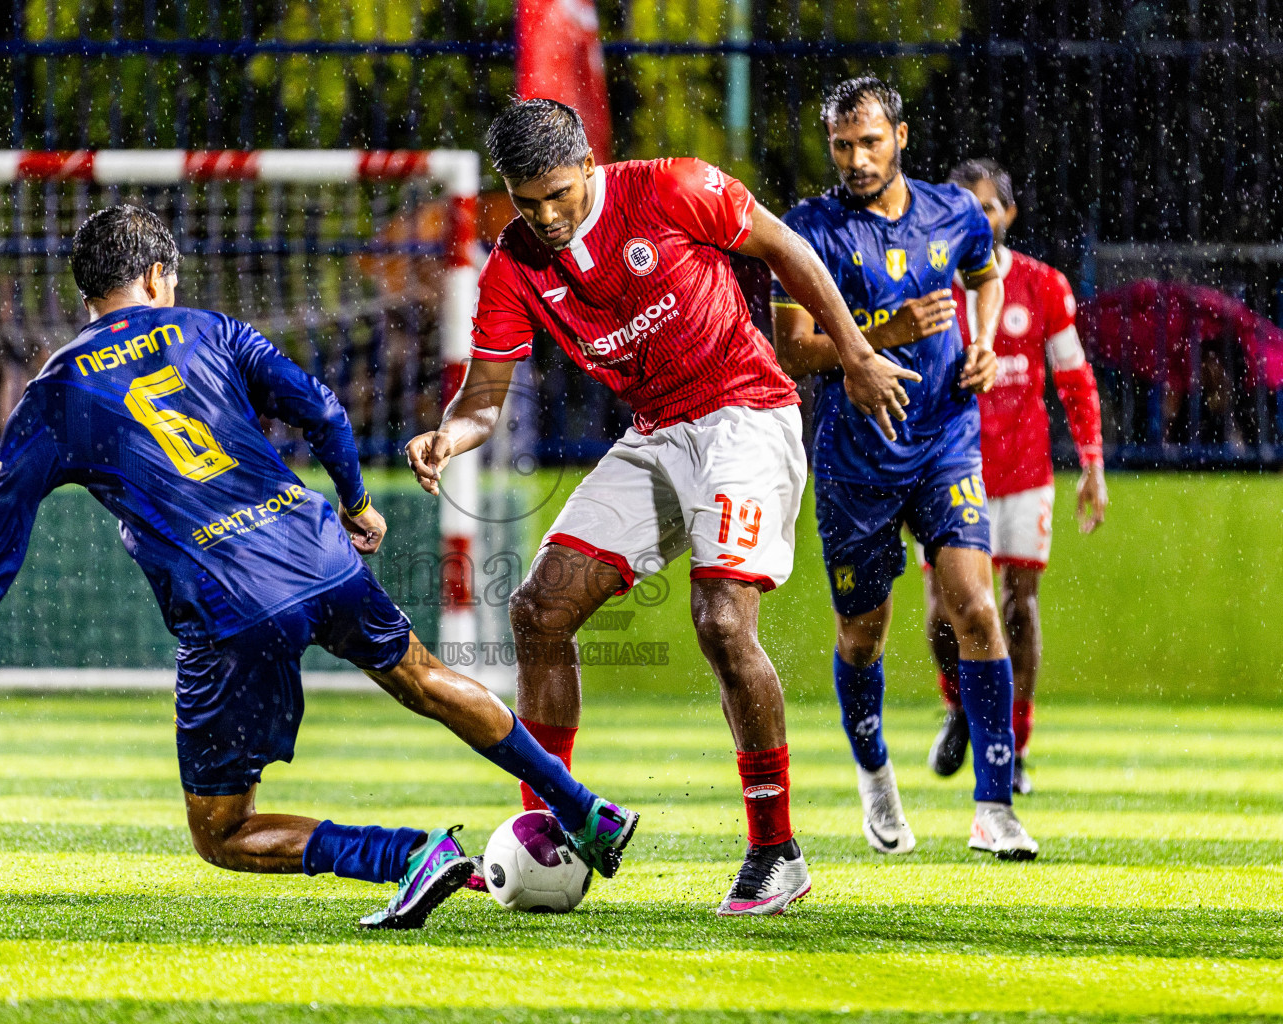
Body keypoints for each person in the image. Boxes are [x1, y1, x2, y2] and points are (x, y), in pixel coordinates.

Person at [0, 205, 639, 931]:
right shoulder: (211, 329)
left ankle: (407, 857)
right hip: (318, 550)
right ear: (156, 277)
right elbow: (324, 407)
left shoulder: (52, 396)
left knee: (222, 831)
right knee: (426, 680)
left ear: (92, 289)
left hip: (229, 604)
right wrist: (357, 503)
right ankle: (583, 807)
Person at [406, 98, 917, 916]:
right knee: (538, 610)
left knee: (721, 622)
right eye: (527, 200)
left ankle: (775, 850)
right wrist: (447, 438)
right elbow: (483, 398)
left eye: (561, 193)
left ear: (589, 165)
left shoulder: (671, 187)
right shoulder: (515, 263)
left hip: (745, 415)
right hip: (657, 435)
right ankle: (553, 823)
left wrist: (855, 354)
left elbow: (786, 248)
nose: (547, 215)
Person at [766, 77, 1038, 860]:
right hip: (856, 461)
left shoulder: (953, 212)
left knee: (977, 608)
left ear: (902, 138)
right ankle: (876, 775)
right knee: (864, 634)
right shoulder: (808, 230)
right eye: (842, 145)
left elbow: (986, 272)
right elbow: (793, 349)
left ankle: (994, 805)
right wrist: (887, 330)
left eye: (870, 142)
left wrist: (983, 342)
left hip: (946, 436)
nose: (856, 159)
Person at [923, 158, 1107, 795]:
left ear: (1009, 214)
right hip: (947, 468)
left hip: (1025, 472)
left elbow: (1074, 378)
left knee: (1018, 609)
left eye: (990, 207)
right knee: (943, 616)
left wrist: (1092, 462)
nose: (980, 217)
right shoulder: (930, 286)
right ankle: (960, 709)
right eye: (966, 207)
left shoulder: (1044, 285)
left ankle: (1015, 744)